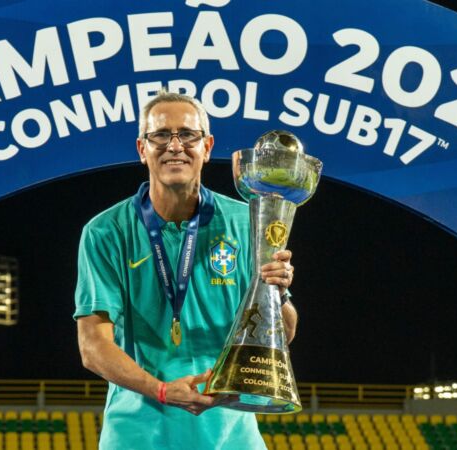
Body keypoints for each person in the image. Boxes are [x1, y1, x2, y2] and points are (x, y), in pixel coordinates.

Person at [74, 91, 297, 449]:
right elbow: (92, 345)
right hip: (137, 437)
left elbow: (282, 334)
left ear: (207, 147)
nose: (175, 146)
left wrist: (277, 293)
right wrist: (161, 390)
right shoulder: (106, 232)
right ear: (142, 148)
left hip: (230, 436)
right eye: (161, 135)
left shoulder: (247, 223)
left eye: (188, 135)